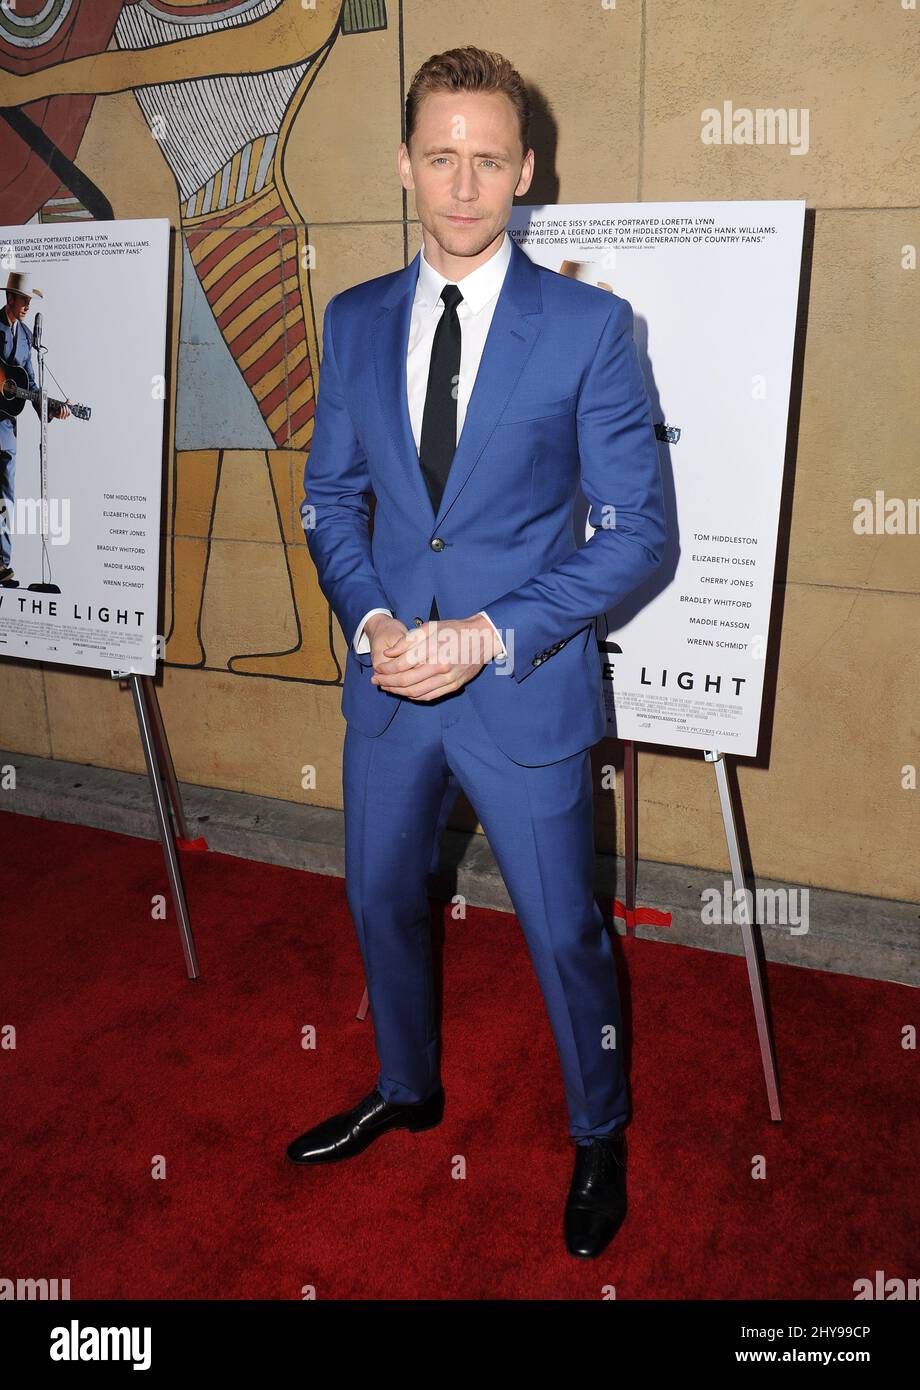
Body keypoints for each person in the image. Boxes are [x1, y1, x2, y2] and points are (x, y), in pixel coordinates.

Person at [288, 46, 667, 1260]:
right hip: (392, 686)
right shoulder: (349, 323)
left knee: (563, 930)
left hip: (522, 687)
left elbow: (635, 535)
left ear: (526, 168)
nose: (462, 185)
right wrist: (374, 622)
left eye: (487, 159)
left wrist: (487, 633)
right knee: (378, 898)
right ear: (404, 165)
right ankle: (408, 1087)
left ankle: (597, 1126)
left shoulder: (592, 328)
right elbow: (329, 504)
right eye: (439, 157)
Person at [0, 271, 70, 585]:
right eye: (24, 299)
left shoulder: (27, 337)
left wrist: (52, 408)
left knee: (5, 495)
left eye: (30, 300)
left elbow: (29, 383)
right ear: (9, 298)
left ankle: (0, 564)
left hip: (5, 427)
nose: (28, 305)